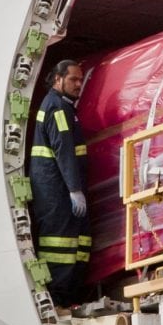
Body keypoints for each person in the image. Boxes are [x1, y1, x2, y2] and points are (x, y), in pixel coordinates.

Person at [29, 60, 93, 307]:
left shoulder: (62, 107)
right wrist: (74, 189)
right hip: (57, 193)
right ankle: (58, 298)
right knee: (60, 245)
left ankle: (69, 295)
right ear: (58, 79)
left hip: (64, 191)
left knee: (79, 243)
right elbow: (64, 149)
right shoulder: (57, 109)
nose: (79, 84)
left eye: (80, 80)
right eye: (73, 80)